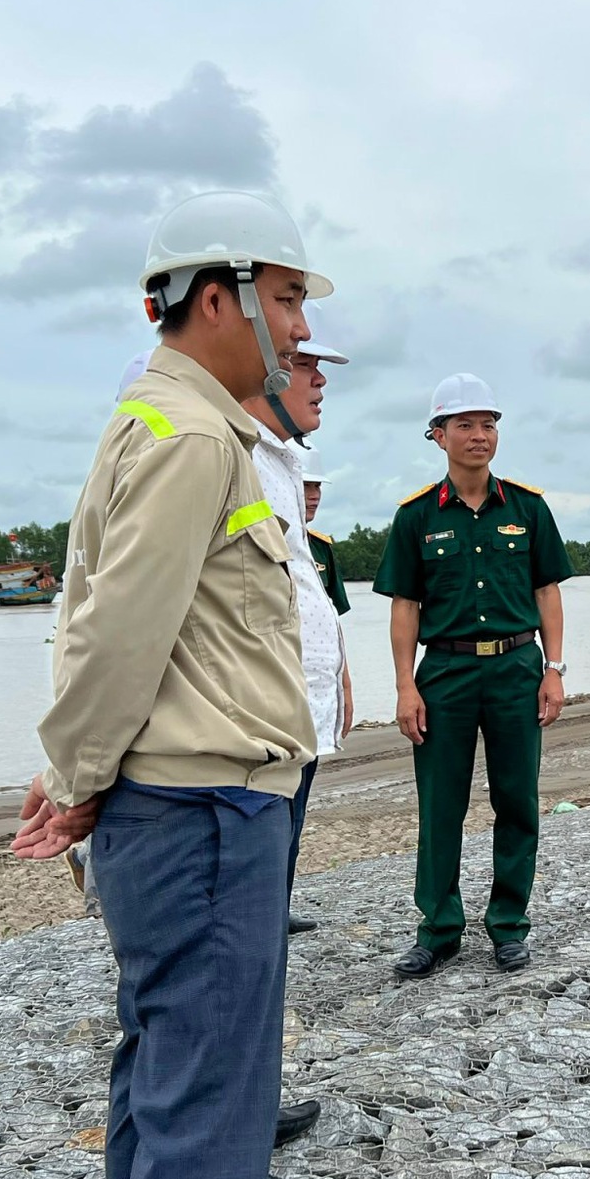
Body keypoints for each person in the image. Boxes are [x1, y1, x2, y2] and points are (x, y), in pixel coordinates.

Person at [11, 189, 329, 1179]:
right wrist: (74, 779)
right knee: (210, 1125)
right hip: (204, 817)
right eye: (285, 298)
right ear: (215, 297)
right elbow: (115, 634)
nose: (296, 329)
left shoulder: (153, 420)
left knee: (164, 1094)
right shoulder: (196, 438)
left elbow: (91, 614)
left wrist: (81, 775)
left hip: (176, 815)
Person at [372, 374, 573, 979]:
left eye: (488, 424)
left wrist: (554, 669)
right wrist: (406, 685)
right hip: (447, 673)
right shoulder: (415, 518)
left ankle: (509, 925)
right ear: (438, 435)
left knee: (517, 801)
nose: (479, 435)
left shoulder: (528, 508)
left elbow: (547, 591)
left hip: (516, 667)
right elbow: (404, 607)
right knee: (441, 805)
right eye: (464, 424)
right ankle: (438, 929)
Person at [241, 338, 353, 938]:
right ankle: (260, 919)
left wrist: (338, 681)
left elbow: (311, 599)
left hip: (303, 694)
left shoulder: (279, 462)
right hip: (260, 703)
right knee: (257, 828)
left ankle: (271, 913)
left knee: (290, 816)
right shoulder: (231, 457)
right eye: (306, 365)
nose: (320, 381)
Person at [301, 470, 354, 619]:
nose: (314, 495)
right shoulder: (265, 542)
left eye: (317, 486)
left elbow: (334, 613)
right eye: (305, 486)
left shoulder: (321, 548)